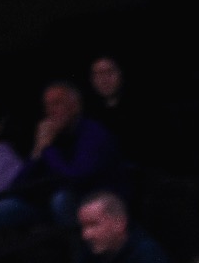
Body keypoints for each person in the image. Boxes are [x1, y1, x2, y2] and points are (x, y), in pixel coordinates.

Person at [18, 81, 123, 223]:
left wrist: (48, 149)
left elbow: (75, 180)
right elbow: (18, 187)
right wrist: (37, 151)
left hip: (100, 200)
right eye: (47, 106)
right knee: (9, 207)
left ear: (75, 106)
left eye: (57, 103)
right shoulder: (53, 136)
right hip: (55, 201)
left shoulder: (93, 134)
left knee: (61, 200)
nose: (50, 111)